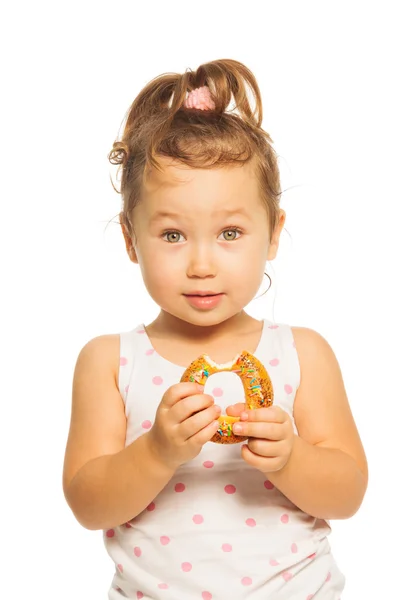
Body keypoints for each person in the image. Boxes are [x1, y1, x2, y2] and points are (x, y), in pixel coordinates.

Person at [62, 58, 368, 599]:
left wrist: (293, 457)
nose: (202, 264)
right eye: (173, 236)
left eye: (229, 232)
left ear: (272, 234)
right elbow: (88, 504)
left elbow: (347, 495)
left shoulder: (302, 352)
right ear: (132, 241)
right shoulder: (109, 361)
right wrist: (156, 451)